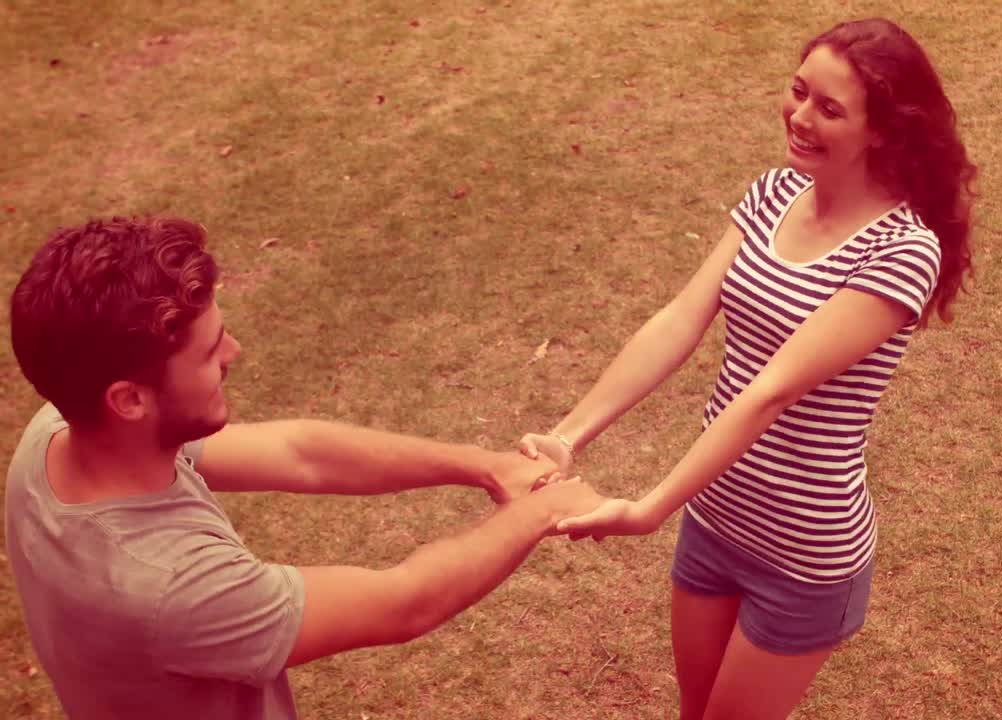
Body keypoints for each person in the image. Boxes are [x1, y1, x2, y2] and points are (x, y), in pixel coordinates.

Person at [518, 18, 977, 720]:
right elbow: (678, 320)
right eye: (798, 93)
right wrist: (569, 434)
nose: (799, 117)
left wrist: (648, 509)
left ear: (882, 130)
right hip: (715, 523)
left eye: (829, 109)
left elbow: (773, 391)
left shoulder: (902, 250)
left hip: (804, 555)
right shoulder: (771, 195)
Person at [5, 216, 603, 720]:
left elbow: (301, 453)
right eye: (211, 352)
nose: (234, 354)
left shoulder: (60, 432)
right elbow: (405, 602)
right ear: (129, 399)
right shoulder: (171, 586)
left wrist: (486, 467)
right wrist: (544, 508)